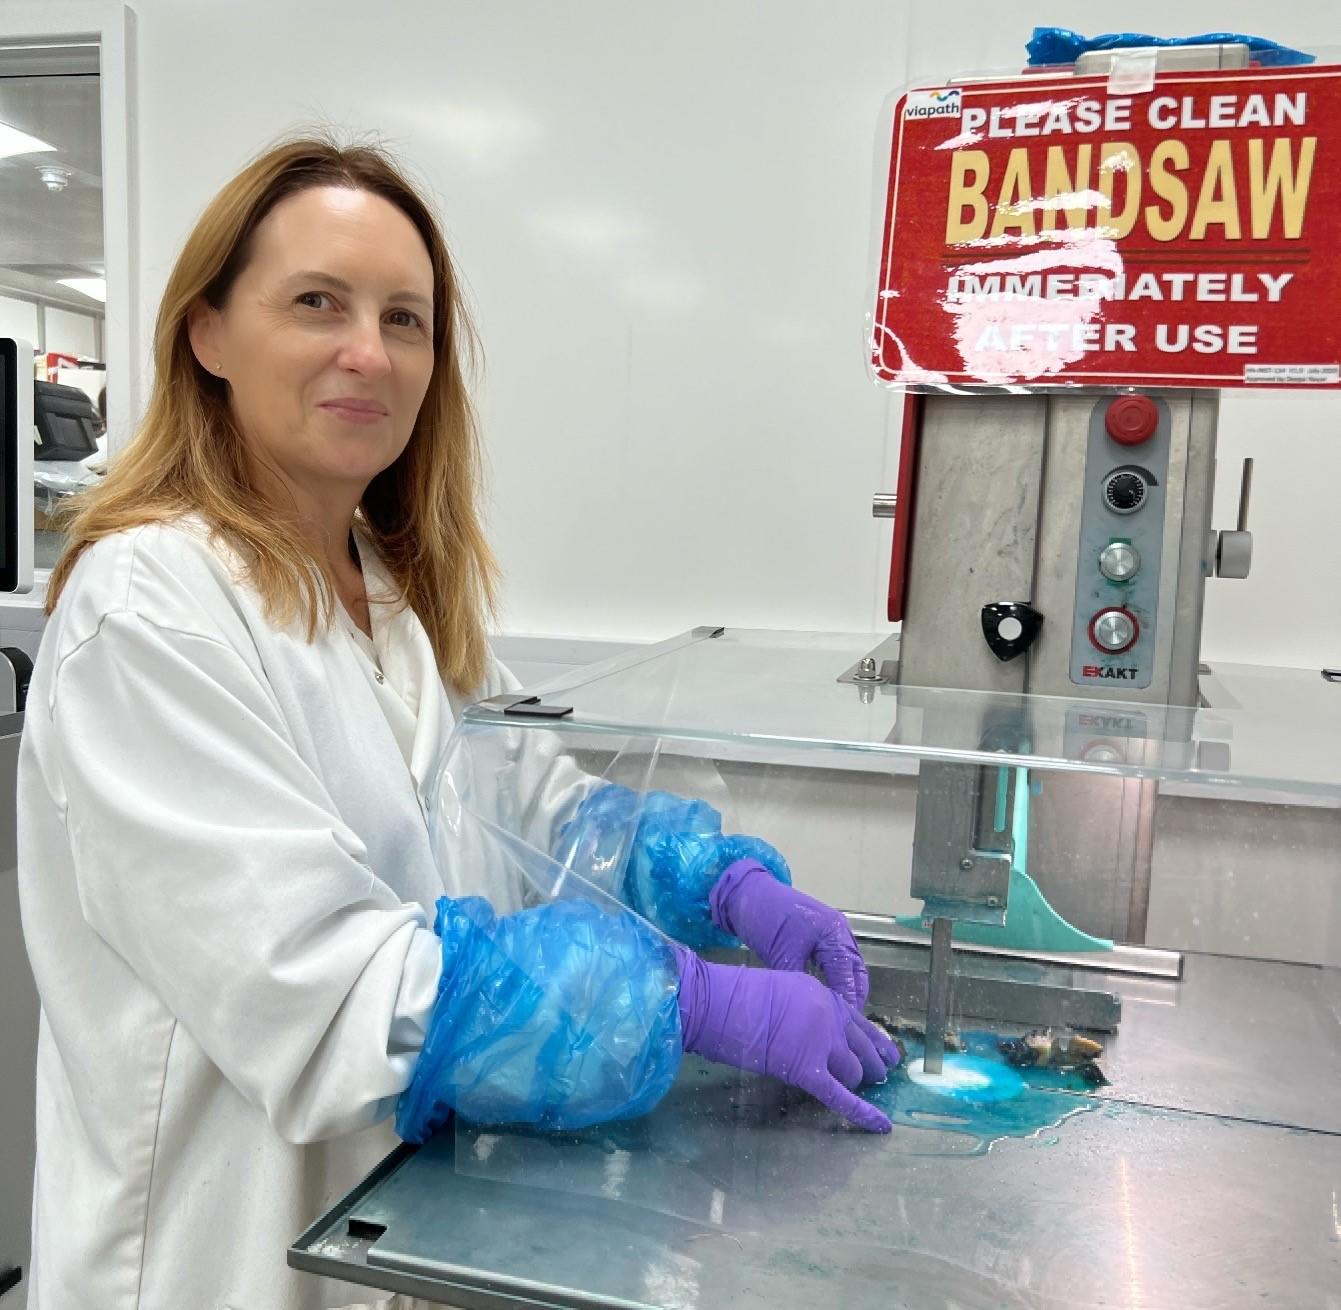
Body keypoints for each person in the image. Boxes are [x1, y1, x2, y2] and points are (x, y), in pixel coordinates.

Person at [17, 136, 898, 1310]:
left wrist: (715, 880)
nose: (367, 353)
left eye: (407, 319)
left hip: (386, 1227)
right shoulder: (148, 610)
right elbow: (327, 988)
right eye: (317, 302)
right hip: (211, 1259)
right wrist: (695, 1000)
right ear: (209, 331)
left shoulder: (380, 589)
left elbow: (522, 813)